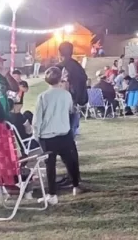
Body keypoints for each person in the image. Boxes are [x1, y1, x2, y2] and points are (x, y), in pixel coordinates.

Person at [33, 67, 82, 205]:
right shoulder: (66, 95)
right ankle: (75, 185)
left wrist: (36, 134)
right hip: (64, 133)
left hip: (47, 136)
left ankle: (52, 194)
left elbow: (38, 118)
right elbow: (69, 110)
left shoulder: (43, 96)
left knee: (50, 165)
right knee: (69, 160)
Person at [55, 42, 88, 137]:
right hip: (75, 99)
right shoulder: (78, 66)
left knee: (65, 129)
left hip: (64, 100)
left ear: (60, 52)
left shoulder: (60, 67)